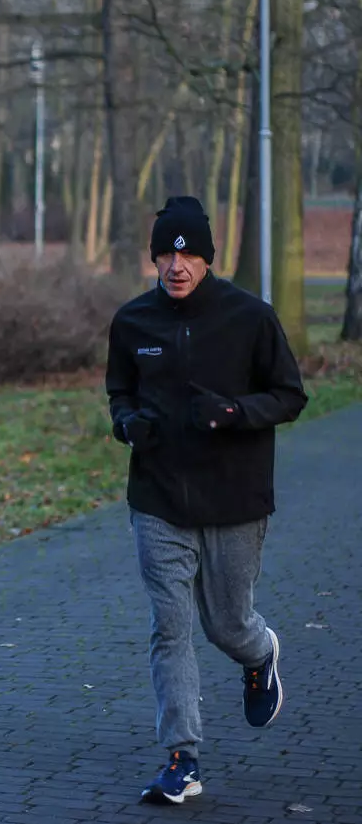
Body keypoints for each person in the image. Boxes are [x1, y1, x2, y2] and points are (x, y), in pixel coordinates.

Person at [105, 196, 308, 805]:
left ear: (207, 257)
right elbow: (119, 393)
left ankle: (261, 652)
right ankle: (181, 759)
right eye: (166, 252)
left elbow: (291, 396)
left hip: (234, 499)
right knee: (169, 628)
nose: (176, 263)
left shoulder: (250, 317)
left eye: (188, 251)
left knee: (226, 624)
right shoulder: (133, 322)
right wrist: (128, 424)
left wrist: (234, 413)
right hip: (158, 499)